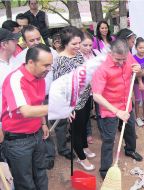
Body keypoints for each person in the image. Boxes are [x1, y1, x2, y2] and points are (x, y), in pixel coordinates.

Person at [2, 44, 51, 190]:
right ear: (31, 62)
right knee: (25, 181)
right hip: (18, 140)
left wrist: (43, 123)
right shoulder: (16, 79)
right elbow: (26, 111)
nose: (49, 69)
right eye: (46, 65)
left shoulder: (40, 77)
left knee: (41, 173)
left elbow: (38, 102)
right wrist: (58, 108)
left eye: (50, 65)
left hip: (37, 134)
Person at [92, 39, 143, 179]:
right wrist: (117, 111)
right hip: (110, 109)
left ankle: (130, 150)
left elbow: (138, 72)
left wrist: (138, 69)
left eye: (124, 59)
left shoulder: (128, 57)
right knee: (109, 139)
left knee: (130, 129)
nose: (121, 62)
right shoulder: (102, 69)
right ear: (110, 52)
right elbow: (96, 95)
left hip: (126, 105)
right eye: (117, 59)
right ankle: (105, 170)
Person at [52, 26, 95, 170]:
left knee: (83, 126)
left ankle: (84, 147)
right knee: (76, 130)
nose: (78, 47)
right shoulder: (60, 61)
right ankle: (81, 158)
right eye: (74, 44)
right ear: (65, 43)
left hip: (85, 97)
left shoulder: (77, 55)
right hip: (73, 103)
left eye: (79, 43)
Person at [0, 28, 21, 143]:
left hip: (20, 119)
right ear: (4, 44)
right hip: (4, 123)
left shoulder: (16, 62)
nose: (17, 42)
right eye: (13, 40)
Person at [80, 31, 100, 143]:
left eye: (90, 45)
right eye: (85, 45)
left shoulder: (96, 53)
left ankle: (103, 131)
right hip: (84, 90)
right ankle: (88, 133)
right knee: (86, 112)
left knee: (100, 110)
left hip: (98, 87)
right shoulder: (77, 56)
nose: (88, 48)